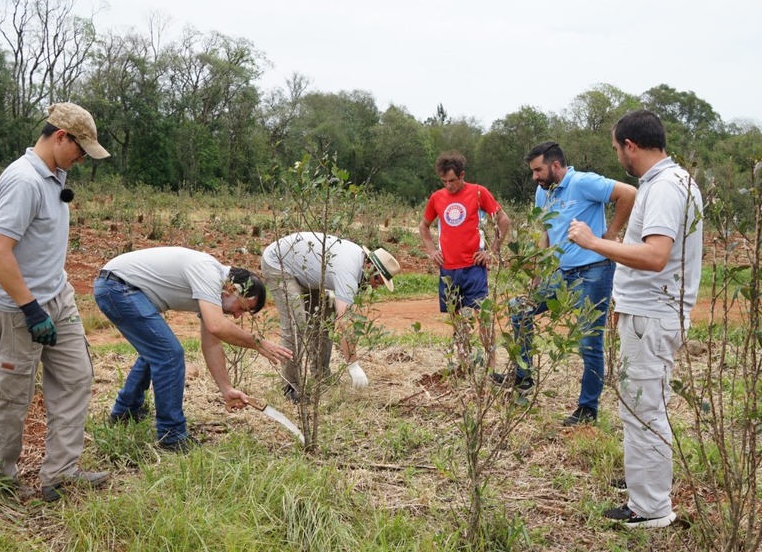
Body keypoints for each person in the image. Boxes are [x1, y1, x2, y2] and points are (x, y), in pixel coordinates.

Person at [567, 110, 703, 528]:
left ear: (630, 145)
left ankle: (650, 509)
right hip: (647, 313)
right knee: (641, 407)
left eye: (616, 148)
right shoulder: (669, 183)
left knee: (645, 410)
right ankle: (643, 488)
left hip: (652, 316)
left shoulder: (665, 187)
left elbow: (655, 255)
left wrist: (594, 243)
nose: (617, 157)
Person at [0, 102, 111, 502]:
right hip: (16, 307)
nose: (82, 159)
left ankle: (61, 473)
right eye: (80, 149)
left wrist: (51, 300)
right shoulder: (24, 181)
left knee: (76, 377)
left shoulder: (55, 176)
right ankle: (0, 479)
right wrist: (31, 309)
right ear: (60, 137)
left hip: (58, 296)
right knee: (14, 394)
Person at [94, 247, 293, 450]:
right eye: (242, 307)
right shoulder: (208, 273)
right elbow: (217, 326)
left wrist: (226, 389)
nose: (237, 315)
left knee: (156, 351)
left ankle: (126, 412)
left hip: (118, 286)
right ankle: (172, 436)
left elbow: (212, 342)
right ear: (232, 290)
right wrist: (258, 343)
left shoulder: (212, 288)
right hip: (117, 287)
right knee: (169, 354)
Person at [496, 141, 636, 426]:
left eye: (538, 170)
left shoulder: (583, 182)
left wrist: (610, 234)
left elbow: (629, 193)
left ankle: (587, 410)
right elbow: (546, 231)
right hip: (559, 274)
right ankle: (523, 379)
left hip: (594, 271)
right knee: (519, 307)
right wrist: (539, 270)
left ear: (556, 166)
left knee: (588, 342)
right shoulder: (542, 192)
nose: (535, 176)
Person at [261, 232, 401, 400]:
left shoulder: (357, 263)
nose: (376, 287)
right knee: (296, 324)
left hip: (306, 270)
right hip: (280, 263)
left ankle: (321, 375)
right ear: (370, 266)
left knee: (323, 318)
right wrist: (353, 365)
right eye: (377, 282)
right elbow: (345, 323)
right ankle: (291, 386)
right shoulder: (349, 271)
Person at [419, 151, 511, 371]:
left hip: (474, 268)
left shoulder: (479, 192)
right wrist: (432, 251)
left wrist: (492, 251)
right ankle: (464, 364)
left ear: (462, 175)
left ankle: (491, 366)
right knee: (458, 320)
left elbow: (503, 220)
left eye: (452, 180)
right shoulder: (436, 198)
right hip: (448, 270)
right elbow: (424, 226)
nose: (449, 185)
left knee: (484, 318)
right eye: (444, 181)